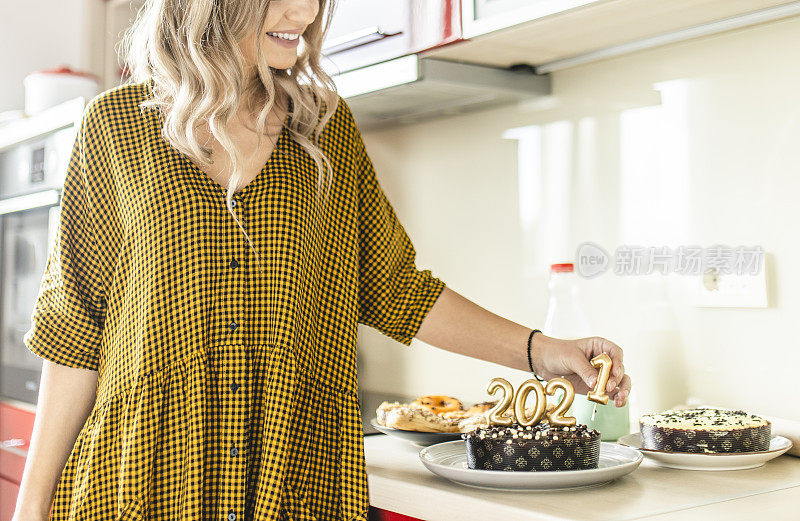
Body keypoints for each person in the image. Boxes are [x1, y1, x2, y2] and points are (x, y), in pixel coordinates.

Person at [12, 0, 631, 519]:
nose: (305, 12)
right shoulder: (116, 128)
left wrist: (543, 351)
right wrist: (29, 508)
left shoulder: (325, 129)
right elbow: (74, 333)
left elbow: (392, 287)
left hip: (297, 477)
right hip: (142, 480)